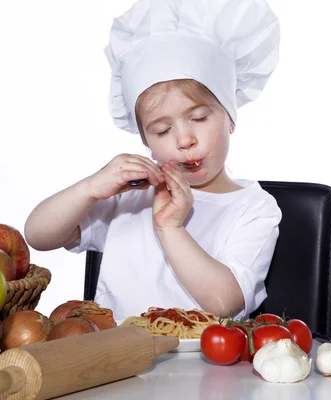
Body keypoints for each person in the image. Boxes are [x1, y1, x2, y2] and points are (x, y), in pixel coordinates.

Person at [24, 0, 282, 321]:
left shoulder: (254, 208)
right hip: (118, 359)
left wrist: (169, 227)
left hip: (206, 366)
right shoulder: (131, 197)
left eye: (199, 117)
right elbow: (38, 235)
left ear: (229, 116)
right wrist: (89, 188)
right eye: (162, 130)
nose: (185, 139)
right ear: (145, 140)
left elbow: (224, 301)